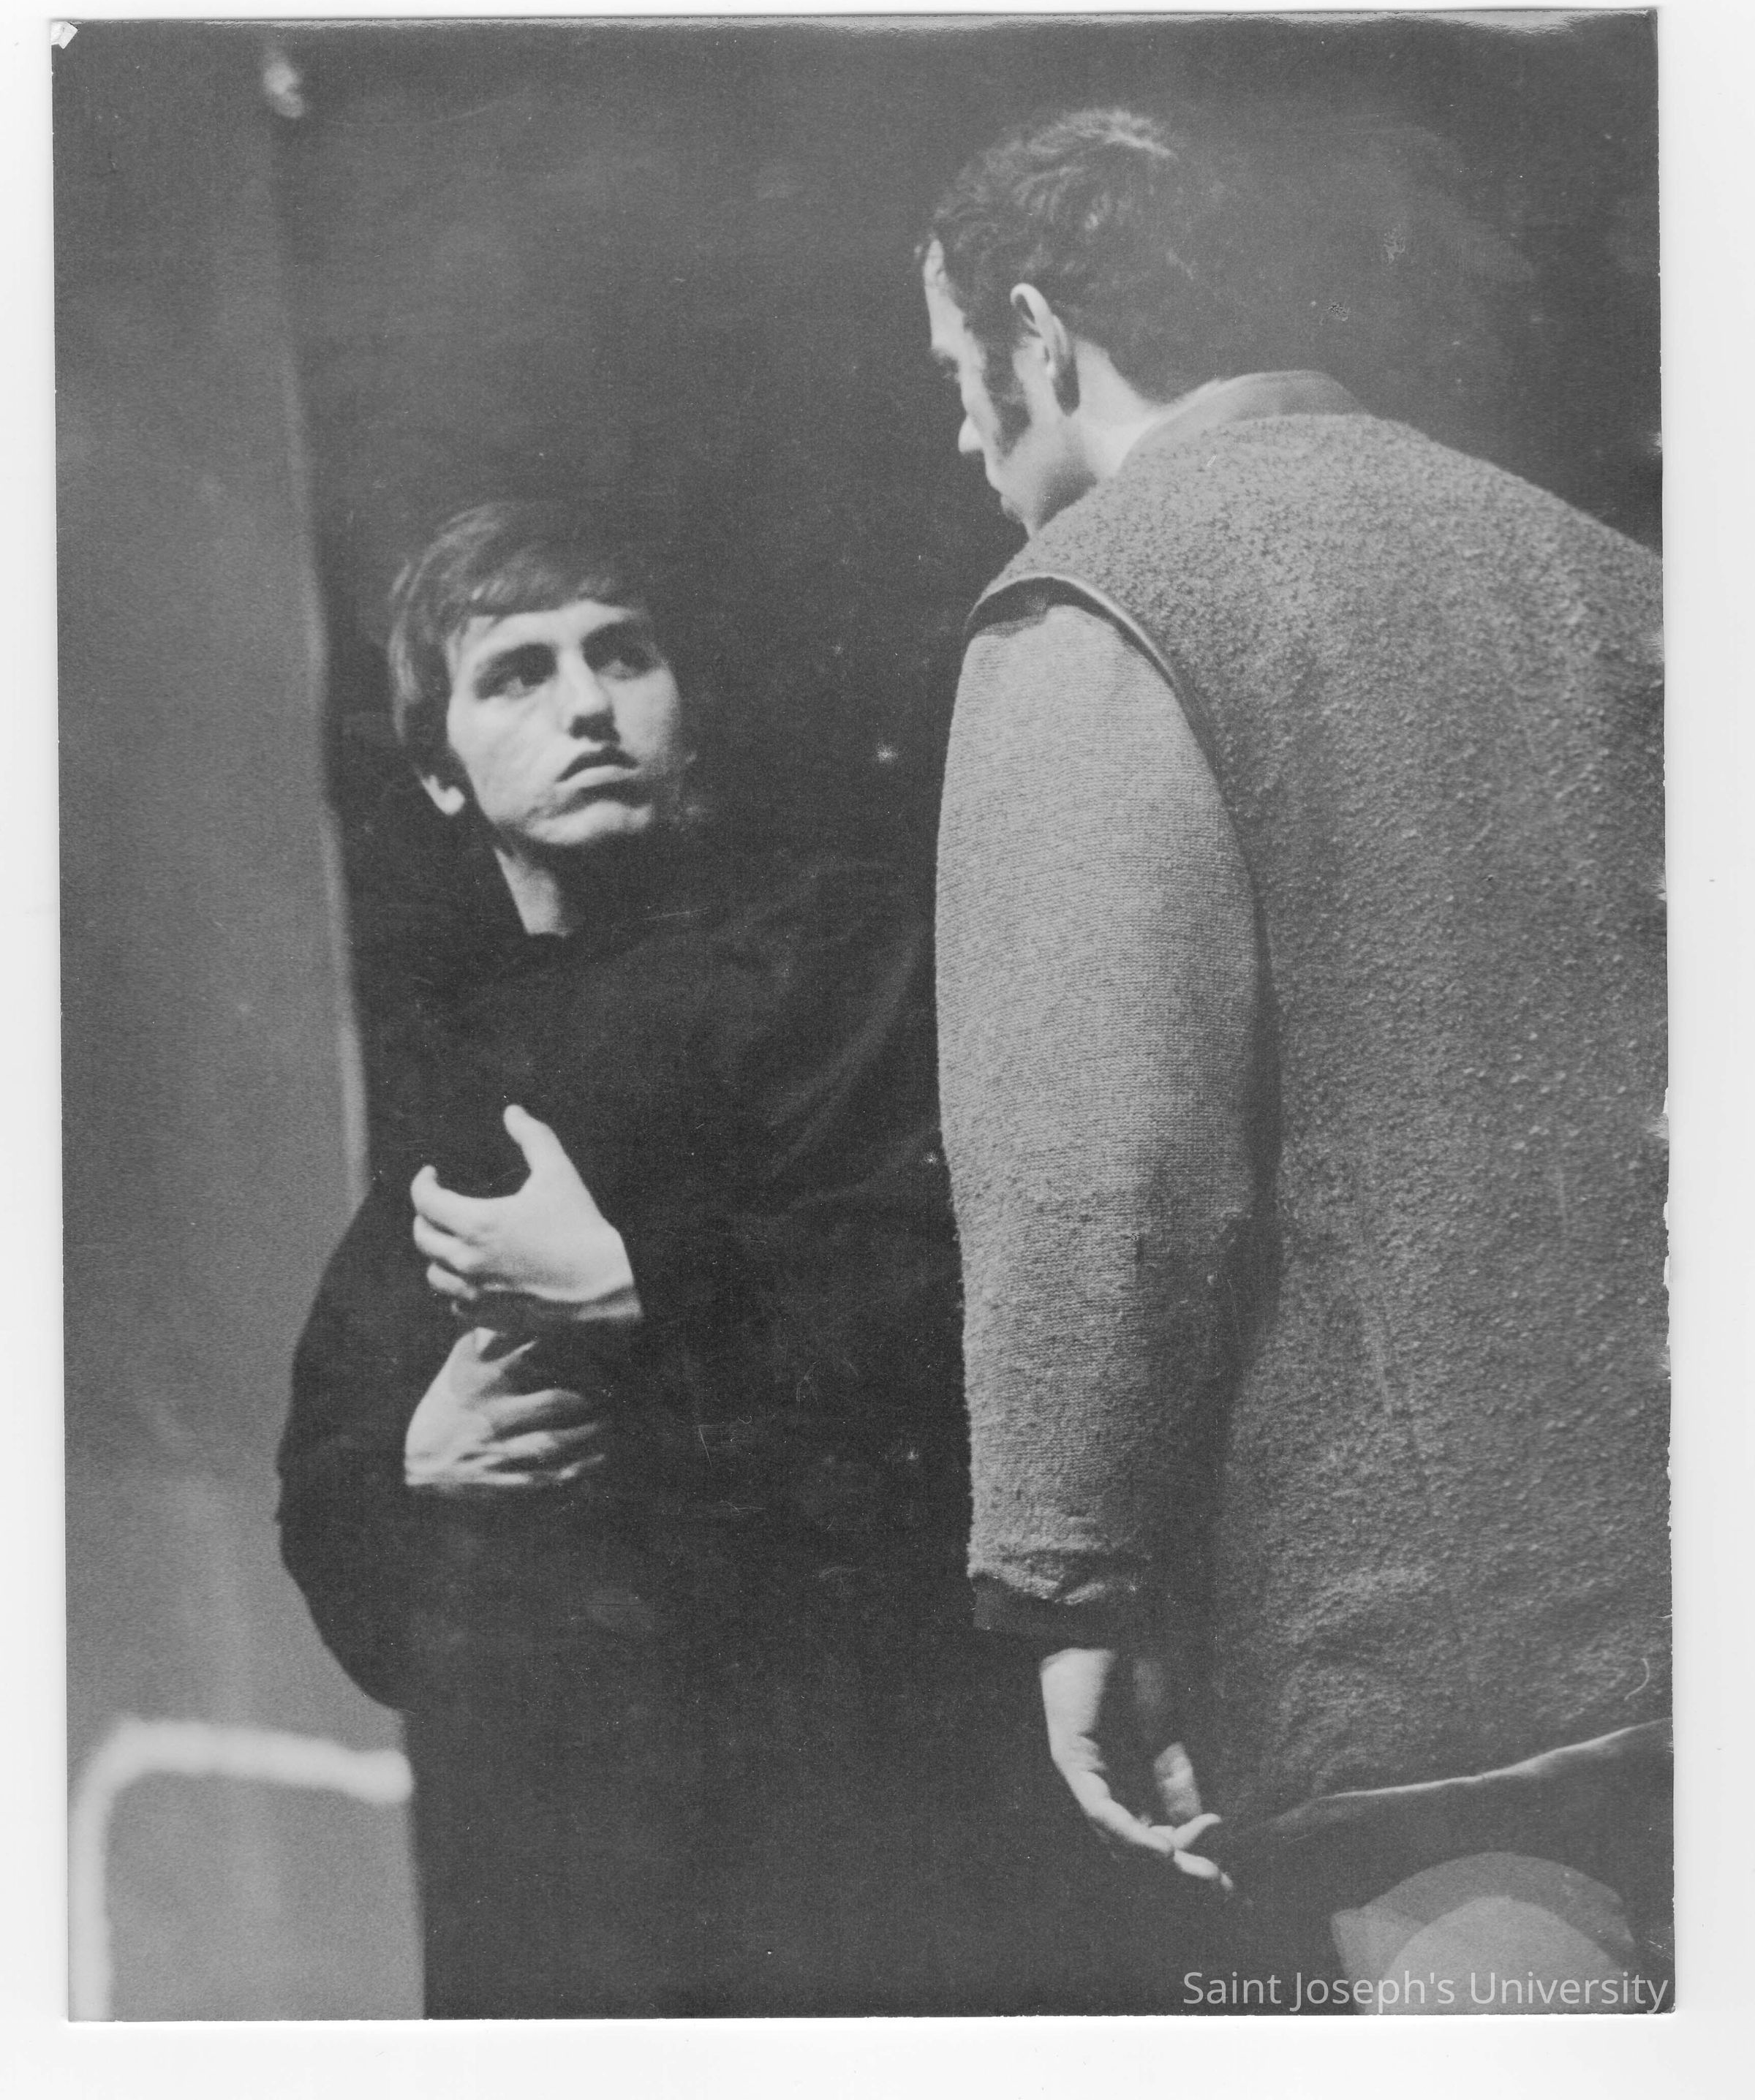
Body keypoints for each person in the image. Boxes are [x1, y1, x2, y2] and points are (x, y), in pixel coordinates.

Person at [920, 109, 1670, 2000]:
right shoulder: (1603, 574)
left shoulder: (1098, 601)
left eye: (954, 377)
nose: (961, 439)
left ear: (1038, 331)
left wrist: (1068, 1572)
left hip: (1432, 1691)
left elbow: (1103, 1167)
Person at [278, 499, 1204, 2017]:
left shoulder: (841, 952)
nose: (587, 705)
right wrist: (416, 1464)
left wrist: (638, 1285)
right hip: (577, 1849)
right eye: (517, 672)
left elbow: (972, 1289)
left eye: (622, 653)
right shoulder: (462, 1061)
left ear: (684, 705)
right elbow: (331, 1455)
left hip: (860, 1783)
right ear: (441, 769)